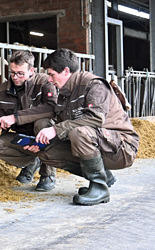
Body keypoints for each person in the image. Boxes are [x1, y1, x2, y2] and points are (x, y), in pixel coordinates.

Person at [28, 48, 139, 205]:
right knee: (46, 152)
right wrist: (41, 142)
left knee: (79, 133)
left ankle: (100, 189)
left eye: (52, 74)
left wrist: (54, 130)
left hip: (121, 147)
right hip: (98, 144)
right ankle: (101, 176)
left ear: (66, 71)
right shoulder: (65, 93)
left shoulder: (94, 85)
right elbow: (62, 124)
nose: (50, 80)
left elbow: (95, 119)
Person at [0, 50, 58, 191]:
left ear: (31, 70)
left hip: (42, 134)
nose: (15, 77)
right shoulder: (2, 90)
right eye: (12, 73)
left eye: (20, 74)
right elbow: (1, 117)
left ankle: (48, 174)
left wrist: (16, 118)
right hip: (22, 138)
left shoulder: (44, 82)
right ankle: (31, 161)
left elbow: (51, 108)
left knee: (42, 124)